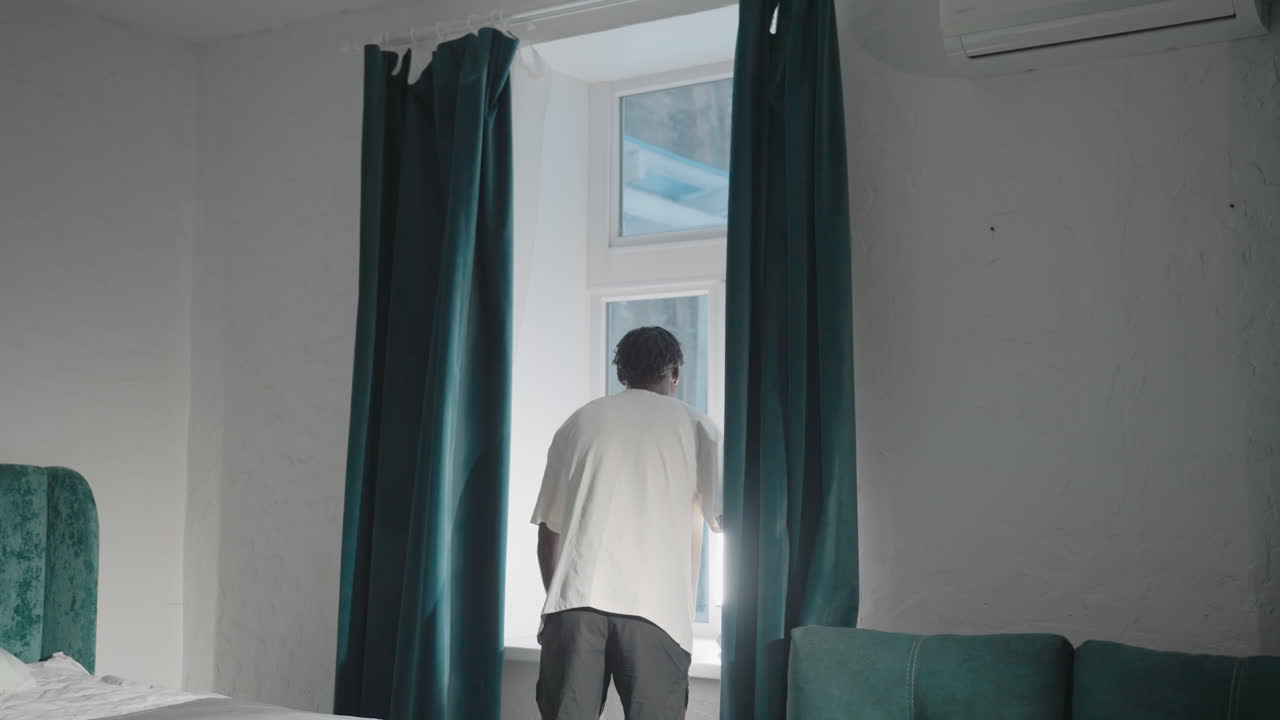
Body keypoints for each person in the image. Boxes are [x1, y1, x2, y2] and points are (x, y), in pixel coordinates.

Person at [531, 326, 723, 720]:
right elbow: (724, 518)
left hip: (576, 606)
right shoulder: (698, 428)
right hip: (657, 611)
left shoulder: (578, 423)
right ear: (675, 372)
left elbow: (549, 530)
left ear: (621, 373)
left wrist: (556, 604)